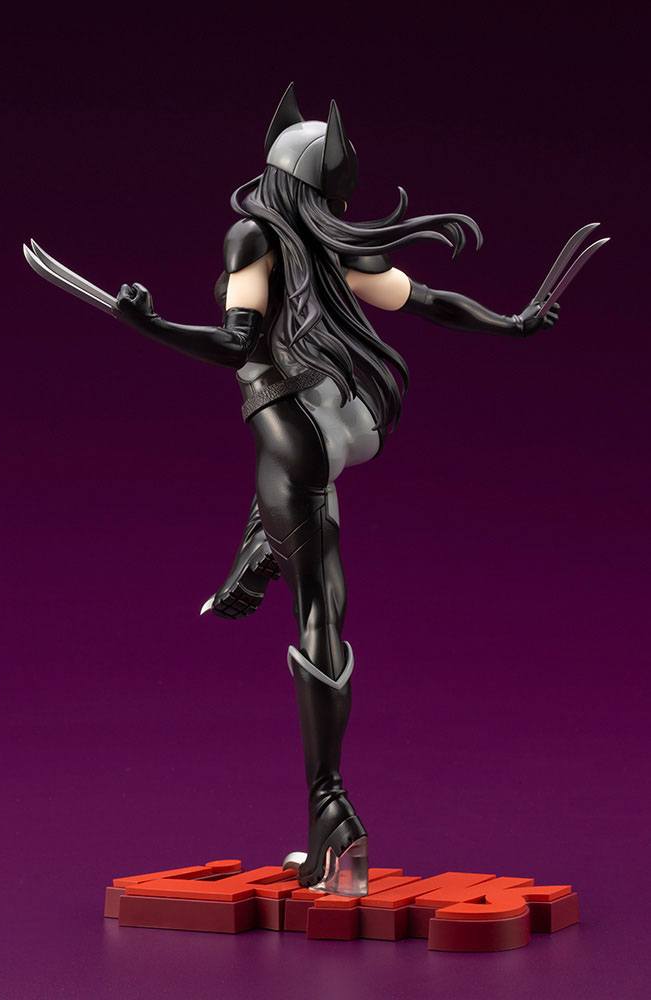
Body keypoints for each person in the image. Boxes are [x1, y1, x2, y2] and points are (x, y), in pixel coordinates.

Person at [113, 83, 560, 896]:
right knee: (295, 535)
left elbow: (234, 344)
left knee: (318, 610)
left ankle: (331, 811)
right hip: (347, 420)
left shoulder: (254, 236)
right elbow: (429, 302)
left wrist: (150, 327)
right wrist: (510, 321)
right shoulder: (331, 246)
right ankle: (259, 549)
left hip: (291, 427)